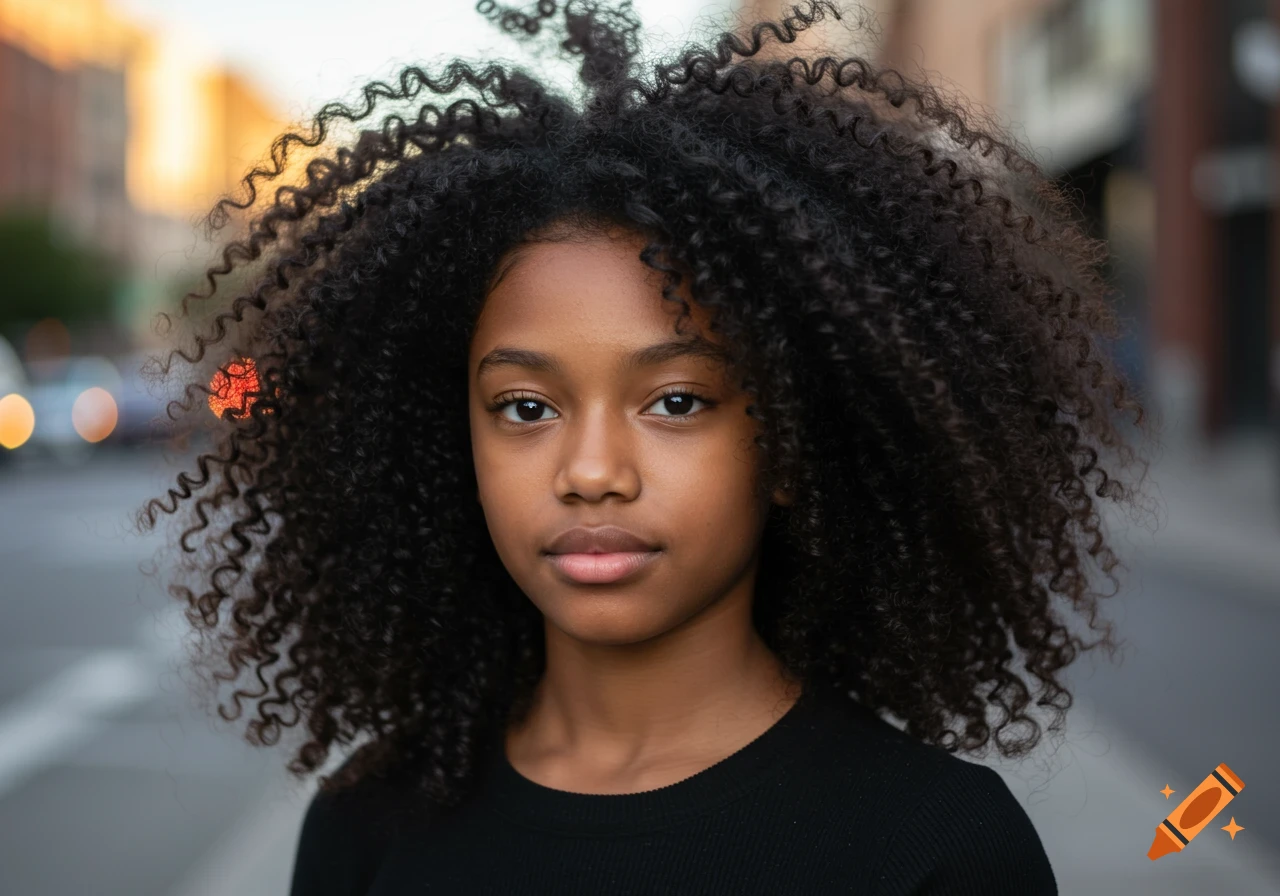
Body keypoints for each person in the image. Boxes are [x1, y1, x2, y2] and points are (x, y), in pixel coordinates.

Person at [135, 1, 1155, 892]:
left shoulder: (938, 849)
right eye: (524, 407)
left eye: (674, 399)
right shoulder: (368, 824)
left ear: (793, 441)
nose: (589, 471)